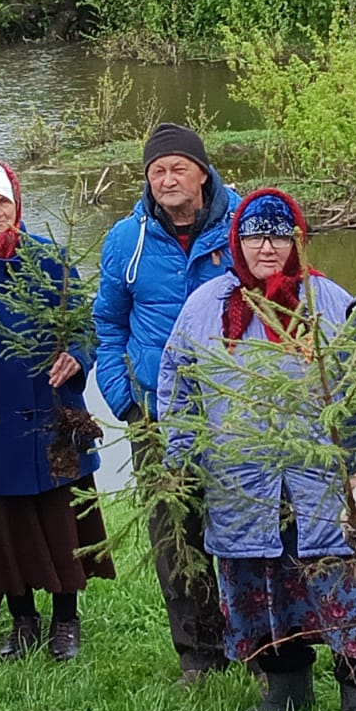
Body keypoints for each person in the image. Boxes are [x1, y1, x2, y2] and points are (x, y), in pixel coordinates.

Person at [159, 188, 356, 711]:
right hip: (239, 484)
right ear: (237, 240)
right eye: (256, 235)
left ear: (297, 241)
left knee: (339, 582)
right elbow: (175, 378)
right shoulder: (206, 305)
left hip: (319, 482)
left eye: (280, 236)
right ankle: (285, 689)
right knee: (260, 587)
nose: (268, 247)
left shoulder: (328, 301)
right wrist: (182, 451)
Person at [0, 160, 115, 661]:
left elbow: (86, 325)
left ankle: (66, 620)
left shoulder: (52, 259)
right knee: (0, 526)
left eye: (3, 203)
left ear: (18, 205)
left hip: (50, 413)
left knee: (60, 521)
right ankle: (22, 621)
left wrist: (75, 358)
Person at [94, 122, 241, 681]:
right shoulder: (125, 241)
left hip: (236, 409)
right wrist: (125, 399)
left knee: (246, 527)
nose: (168, 179)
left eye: (179, 167)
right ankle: (198, 652)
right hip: (156, 413)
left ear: (203, 172)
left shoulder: (241, 228)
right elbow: (107, 323)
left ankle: (256, 644)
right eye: (157, 170)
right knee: (174, 534)